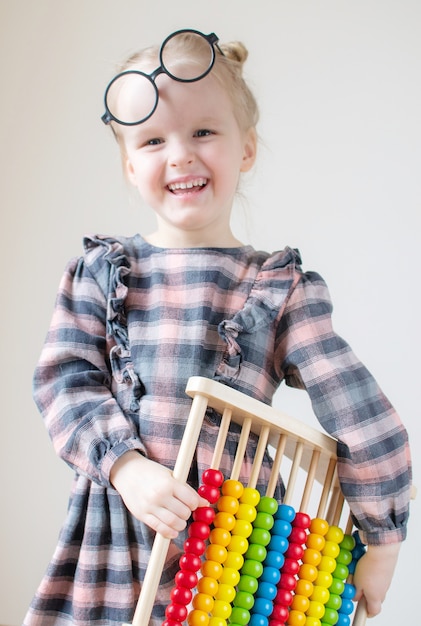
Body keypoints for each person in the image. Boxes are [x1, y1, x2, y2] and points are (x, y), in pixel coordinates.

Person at [24, 29, 412, 626]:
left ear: (246, 148)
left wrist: (382, 538)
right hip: (119, 533)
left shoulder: (278, 288)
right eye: (153, 140)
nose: (179, 154)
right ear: (130, 165)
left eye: (203, 131)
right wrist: (127, 468)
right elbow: (64, 382)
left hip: (231, 556)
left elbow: (354, 404)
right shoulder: (102, 273)